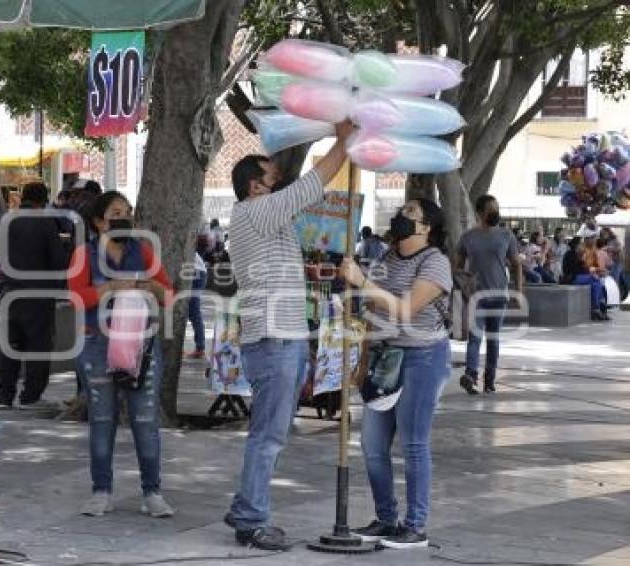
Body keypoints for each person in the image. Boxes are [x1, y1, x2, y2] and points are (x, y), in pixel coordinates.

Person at [222, 119, 355, 552]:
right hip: (276, 339)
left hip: (282, 337)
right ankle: (251, 519)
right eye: (272, 176)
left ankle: (247, 505)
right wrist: (343, 138)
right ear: (255, 186)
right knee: (269, 435)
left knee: (270, 432)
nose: (279, 180)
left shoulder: (261, 218)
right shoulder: (257, 211)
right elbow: (314, 183)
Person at [339, 198, 452, 550]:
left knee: (413, 442)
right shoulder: (386, 259)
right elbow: (374, 312)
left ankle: (415, 525)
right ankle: (386, 518)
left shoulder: (436, 262)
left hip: (423, 357)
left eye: (411, 214)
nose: (402, 217)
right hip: (385, 357)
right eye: (402, 211)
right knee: (373, 444)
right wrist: (362, 360)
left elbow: (406, 309)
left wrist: (361, 281)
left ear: (426, 228)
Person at [68, 191, 175, 518]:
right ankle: (101, 491)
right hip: (97, 345)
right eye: (116, 212)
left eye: (127, 211)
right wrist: (110, 288)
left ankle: (152, 492)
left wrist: (147, 286)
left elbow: (168, 295)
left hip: (141, 347)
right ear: (99, 221)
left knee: (145, 419)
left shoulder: (143, 253)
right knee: (102, 419)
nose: (124, 217)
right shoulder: (83, 255)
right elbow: (75, 297)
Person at [0, 182, 67, 410]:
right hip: (38, 294)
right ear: (43, 201)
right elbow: (58, 261)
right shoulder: (45, 224)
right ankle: (31, 396)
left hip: (9, 291)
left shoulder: (4, 221)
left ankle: (5, 395)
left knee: (10, 345)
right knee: (38, 346)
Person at [455, 195, 522, 395]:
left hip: (499, 295)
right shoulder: (468, 237)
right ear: (480, 212)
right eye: (491, 209)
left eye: (497, 208)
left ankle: (490, 380)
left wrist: (518, 292)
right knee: (474, 338)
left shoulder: (506, 235)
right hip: (477, 297)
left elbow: (517, 264)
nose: (495, 213)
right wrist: (463, 282)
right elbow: (457, 266)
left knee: (493, 339)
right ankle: (471, 376)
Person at [561, 236, 609, 321]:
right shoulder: (570, 254)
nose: (583, 246)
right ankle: (600, 304)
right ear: (577, 245)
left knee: (596, 285)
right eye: (581, 244)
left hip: (579, 277)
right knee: (595, 279)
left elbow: (585, 269)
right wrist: (586, 268)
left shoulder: (579, 255)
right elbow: (573, 270)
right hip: (572, 278)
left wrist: (591, 270)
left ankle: (596, 309)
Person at [186, 251, 208, 358]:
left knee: (193, 310)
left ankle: (200, 347)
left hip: (196, 271)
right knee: (192, 310)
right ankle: (200, 347)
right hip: (196, 270)